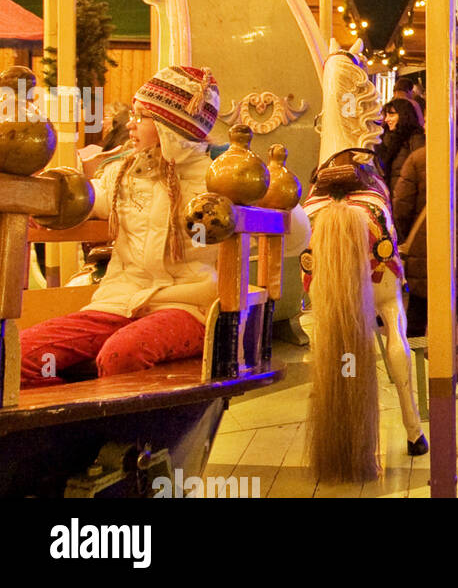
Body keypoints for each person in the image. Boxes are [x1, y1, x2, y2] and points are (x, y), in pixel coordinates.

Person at [21, 67, 306, 386]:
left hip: (190, 306)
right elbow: (92, 196)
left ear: (171, 127)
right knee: (21, 355)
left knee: (121, 355)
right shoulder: (124, 175)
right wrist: (41, 201)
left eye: (141, 116)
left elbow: (294, 239)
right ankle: (75, 427)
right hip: (121, 301)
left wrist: (278, 201)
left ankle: (130, 428)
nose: (130, 123)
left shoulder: (220, 183)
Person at [394, 119, 458, 394]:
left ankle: (415, 372)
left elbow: (401, 206)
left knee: (418, 309)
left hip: (425, 244)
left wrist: (408, 234)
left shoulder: (416, 159)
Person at [373, 97, 425, 192]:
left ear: (404, 115)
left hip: (406, 194)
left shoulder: (415, 138)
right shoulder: (384, 138)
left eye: (392, 115)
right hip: (389, 192)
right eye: (386, 115)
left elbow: (421, 171)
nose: (387, 119)